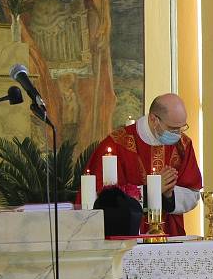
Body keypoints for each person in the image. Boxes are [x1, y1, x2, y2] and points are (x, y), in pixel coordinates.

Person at [85, 94, 202, 236]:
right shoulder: (116, 144)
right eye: (172, 129)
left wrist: (169, 195)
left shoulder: (183, 145)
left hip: (169, 235)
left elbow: (193, 192)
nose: (178, 134)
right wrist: (150, 190)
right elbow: (101, 200)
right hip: (127, 235)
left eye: (181, 128)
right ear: (153, 119)